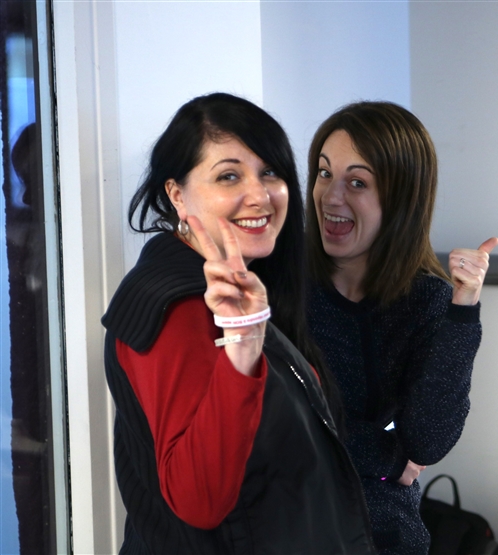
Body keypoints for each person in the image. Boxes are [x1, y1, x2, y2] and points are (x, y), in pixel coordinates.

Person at [101, 93, 375, 554]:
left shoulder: (241, 283)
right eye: (229, 176)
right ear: (176, 194)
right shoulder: (179, 307)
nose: (260, 195)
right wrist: (243, 344)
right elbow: (199, 500)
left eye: (270, 172)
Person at [305, 101, 498, 555]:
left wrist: (463, 308)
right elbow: (274, 428)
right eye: (324, 173)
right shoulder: (281, 285)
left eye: (358, 182)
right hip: (290, 520)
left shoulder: (426, 298)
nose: (331, 196)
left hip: (382, 531)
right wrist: (385, 455)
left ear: (401, 198)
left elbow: (427, 441)